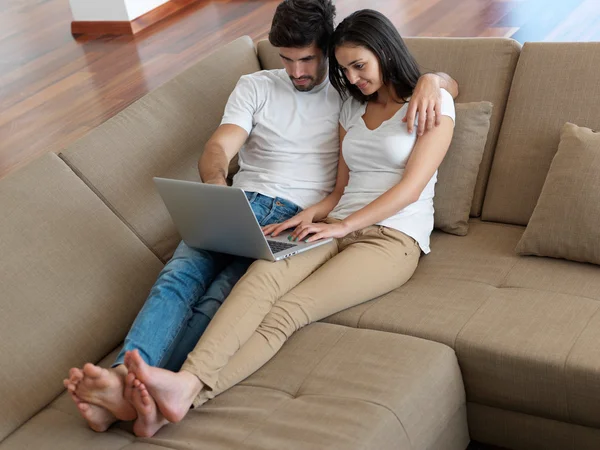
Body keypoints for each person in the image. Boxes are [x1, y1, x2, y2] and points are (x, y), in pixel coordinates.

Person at [64, 0, 457, 436]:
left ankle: (184, 392)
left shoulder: (420, 100)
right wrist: (302, 215)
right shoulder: (347, 104)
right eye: (345, 70)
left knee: (278, 309)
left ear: (379, 52)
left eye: (355, 66)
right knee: (239, 279)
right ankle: (148, 386)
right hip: (316, 219)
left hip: (388, 236)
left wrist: (431, 78)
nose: (350, 78)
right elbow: (339, 189)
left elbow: (411, 189)